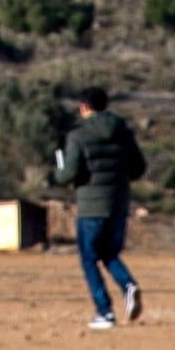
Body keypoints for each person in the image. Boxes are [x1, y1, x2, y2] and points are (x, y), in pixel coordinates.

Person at [55, 89, 145, 328]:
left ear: (84, 107)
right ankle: (128, 285)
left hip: (91, 206)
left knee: (89, 258)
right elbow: (138, 168)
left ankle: (104, 311)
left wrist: (58, 174)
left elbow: (70, 173)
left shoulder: (78, 136)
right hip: (118, 204)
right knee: (110, 254)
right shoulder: (124, 133)